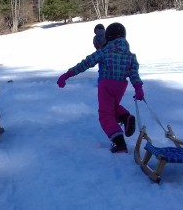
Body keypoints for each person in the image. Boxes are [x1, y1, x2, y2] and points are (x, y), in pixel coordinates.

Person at [56, 22, 143, 153]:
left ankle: (119, 143)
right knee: (112, 107)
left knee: (105, 114)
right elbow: (134, 74)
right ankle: (125, 117)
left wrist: (68, 74)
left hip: (106, 85)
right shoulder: (130, 56)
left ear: (108, 37)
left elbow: (86, 63)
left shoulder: (104, 51)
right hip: (120, 86)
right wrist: (138, 88)